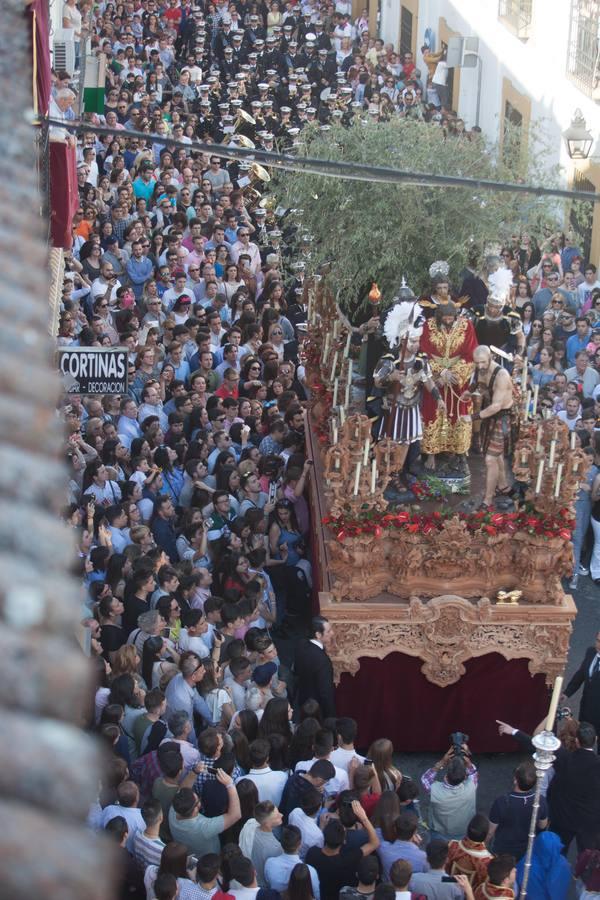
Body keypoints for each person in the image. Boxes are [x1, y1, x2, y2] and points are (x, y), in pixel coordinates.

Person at [419, 302, 478, 474]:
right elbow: (423, 352)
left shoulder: (467, 325)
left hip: (457, 381)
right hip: (435, 379)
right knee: (432, 413)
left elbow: (471, 354)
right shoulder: (427, 326)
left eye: (451, 319)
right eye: (445, 319)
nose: (448, 322)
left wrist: (455, 374)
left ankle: (460, 453)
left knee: (460, 413)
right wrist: (440, 373)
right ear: (438, 317)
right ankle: (431, 453)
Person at [464, 345, 517, 508]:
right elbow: (477, 382)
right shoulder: (479, 368)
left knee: (490, 459)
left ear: (491, 358)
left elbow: (496, 406)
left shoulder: (502, 375)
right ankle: (503, 486)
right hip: (489, 417)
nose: (480, 366)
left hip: (502, 417)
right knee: (495, 454)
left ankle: (487, 500)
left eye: (483, 362)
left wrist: (472, 417)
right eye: (477, 362)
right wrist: (469, 391)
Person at [305, 801, 380, 900]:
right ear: (344, 841)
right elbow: (375, 843)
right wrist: (363, 818)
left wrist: (322, 826)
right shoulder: (347, 860)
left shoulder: (312, 853)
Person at [547, 722, 600, 853]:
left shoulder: (566, 758)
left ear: (577, 741)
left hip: (564, 817)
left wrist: (514, 732)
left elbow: (541, 744)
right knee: (587, 857)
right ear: (595, 739)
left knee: (558, 852)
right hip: (589, 820)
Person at [488, 761, 548, 860]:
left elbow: (490, 831)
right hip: (527, 849)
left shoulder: (502, 802)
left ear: (515, 780)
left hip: (504, 850)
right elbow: (542, 825)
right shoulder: (540, 800)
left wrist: (484, 846)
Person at [168, 775, 242, 856]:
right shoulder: (203, 827)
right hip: (209, 857)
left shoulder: (174, 809)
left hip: (190, 853)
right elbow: (235, 815)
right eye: (198, 800)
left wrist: (194, 772)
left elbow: (182, 791)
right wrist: (230, 784)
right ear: (195, 808)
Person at [421, 745, 478, 841]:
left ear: (446, 776)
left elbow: (425, 778)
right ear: (465, 777)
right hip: (463, 831)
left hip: (439, 833)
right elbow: (473, 773)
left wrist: (442, 762)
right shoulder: (472, 785)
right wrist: (468, 762)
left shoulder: (433, 789)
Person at [293, 616, 336, 718]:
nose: (332, 633)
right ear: (318, 635)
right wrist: (331, 717)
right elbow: (325, 693)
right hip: (316, 710)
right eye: (328, 631)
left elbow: (297, 669)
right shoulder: (323, 661)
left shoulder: (301, 644)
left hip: (303, 700)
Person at [264, 825, 321, 898]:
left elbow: (268, 884)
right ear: (300, 844)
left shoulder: (269, 863)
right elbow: (317, 895)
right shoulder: (310, 871)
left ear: (281, 843)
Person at [563, 632, 600, 735]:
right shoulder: (591, 652)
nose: (598, 645)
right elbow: (581, 674)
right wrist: (567, 693)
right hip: (585, 709)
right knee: (582, 736)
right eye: (598, 640)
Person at [446, 813, 493, 890]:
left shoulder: (451, 845)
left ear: (467, 830)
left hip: (448, 891)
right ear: (486, 835)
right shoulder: (489, 862)